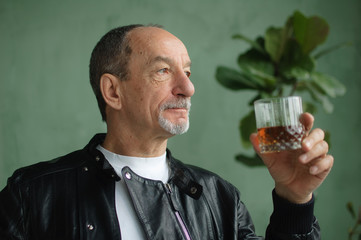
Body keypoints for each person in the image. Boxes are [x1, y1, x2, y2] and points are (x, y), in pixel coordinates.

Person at [0, 24, 333, 240]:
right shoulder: (31, 195)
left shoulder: (220, 198)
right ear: (113, 92)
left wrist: (294, 200)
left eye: (187, 72)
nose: (187, 87)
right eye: (163, 70)